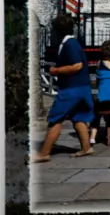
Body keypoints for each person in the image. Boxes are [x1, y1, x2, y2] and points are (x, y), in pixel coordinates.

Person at [32, 15, 94, 162]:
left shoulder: (70, 44)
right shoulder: (71, 43)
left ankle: (44, 153)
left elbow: (77, 65)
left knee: (55, 119)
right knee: (78, 118)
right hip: (82, 88)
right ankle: (86, 148)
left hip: (72, 89)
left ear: (57, 30)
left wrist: (56, 71)